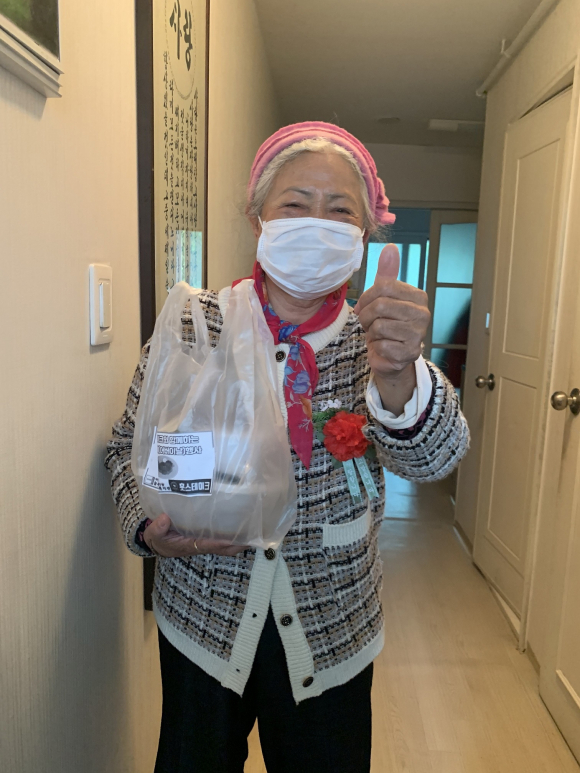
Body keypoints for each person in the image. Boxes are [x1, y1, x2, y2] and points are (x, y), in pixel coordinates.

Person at [106, 121, 469, 773]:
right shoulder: (195, 324)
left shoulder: (377, 342)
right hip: (203, 616)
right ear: (258, 218)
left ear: (364, 234)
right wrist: (147, 529)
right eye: (296, 204)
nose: (316, 224)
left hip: (332, 629)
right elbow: (127, 446)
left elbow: (434, 459)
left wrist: (399, 375)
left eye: (340, 211)